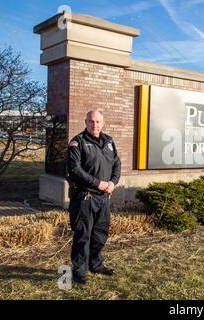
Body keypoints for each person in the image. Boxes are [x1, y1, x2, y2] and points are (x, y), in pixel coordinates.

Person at [67, 110, 121, 285]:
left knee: (100, 235)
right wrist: (98, 183)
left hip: (104, 198)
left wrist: (113, 182)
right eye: (91, 122)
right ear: (86, 122)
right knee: (83, 236)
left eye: (98, 122)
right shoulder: (78, 142)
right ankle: (79, 273)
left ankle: (96, 265)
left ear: (102, 123)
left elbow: (116, 163)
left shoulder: (109, 141)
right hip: (85, 198)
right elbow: (75, 170)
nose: (95, 125)